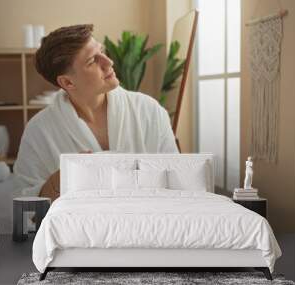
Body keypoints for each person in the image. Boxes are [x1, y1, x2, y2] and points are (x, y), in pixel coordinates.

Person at [14, 24, 178, 201]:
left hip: (149, 221)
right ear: (67, 83)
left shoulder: (149, 111)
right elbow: (27, 204)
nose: (108, 62)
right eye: (92, 61)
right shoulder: (39, 132)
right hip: (80, 227)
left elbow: (177, 179)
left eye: (102, 51)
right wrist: (63, 178)